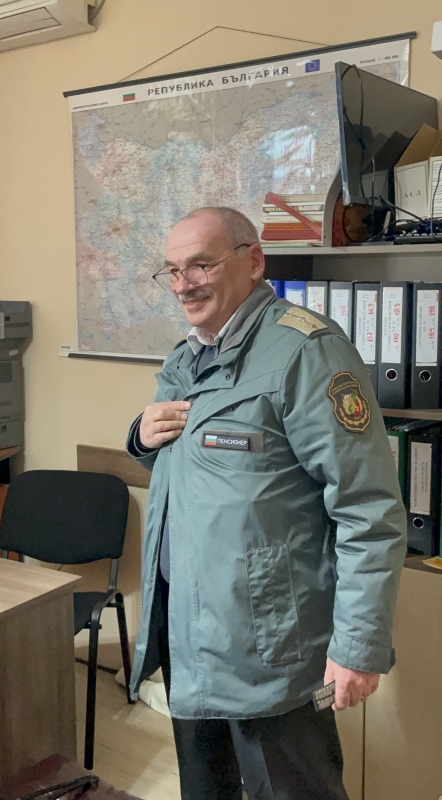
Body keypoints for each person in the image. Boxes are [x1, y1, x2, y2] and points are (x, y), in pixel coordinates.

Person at [126, 206, 407, 800]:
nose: (183, 284)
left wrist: (358, 647)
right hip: (188, 635)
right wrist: (141, 437)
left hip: (271, 649)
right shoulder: (187, 356)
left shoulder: (306, 352)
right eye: (172, 270)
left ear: (253, 262)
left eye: (200, 265)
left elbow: (368, 510)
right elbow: (206, 474)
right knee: (206, 792)